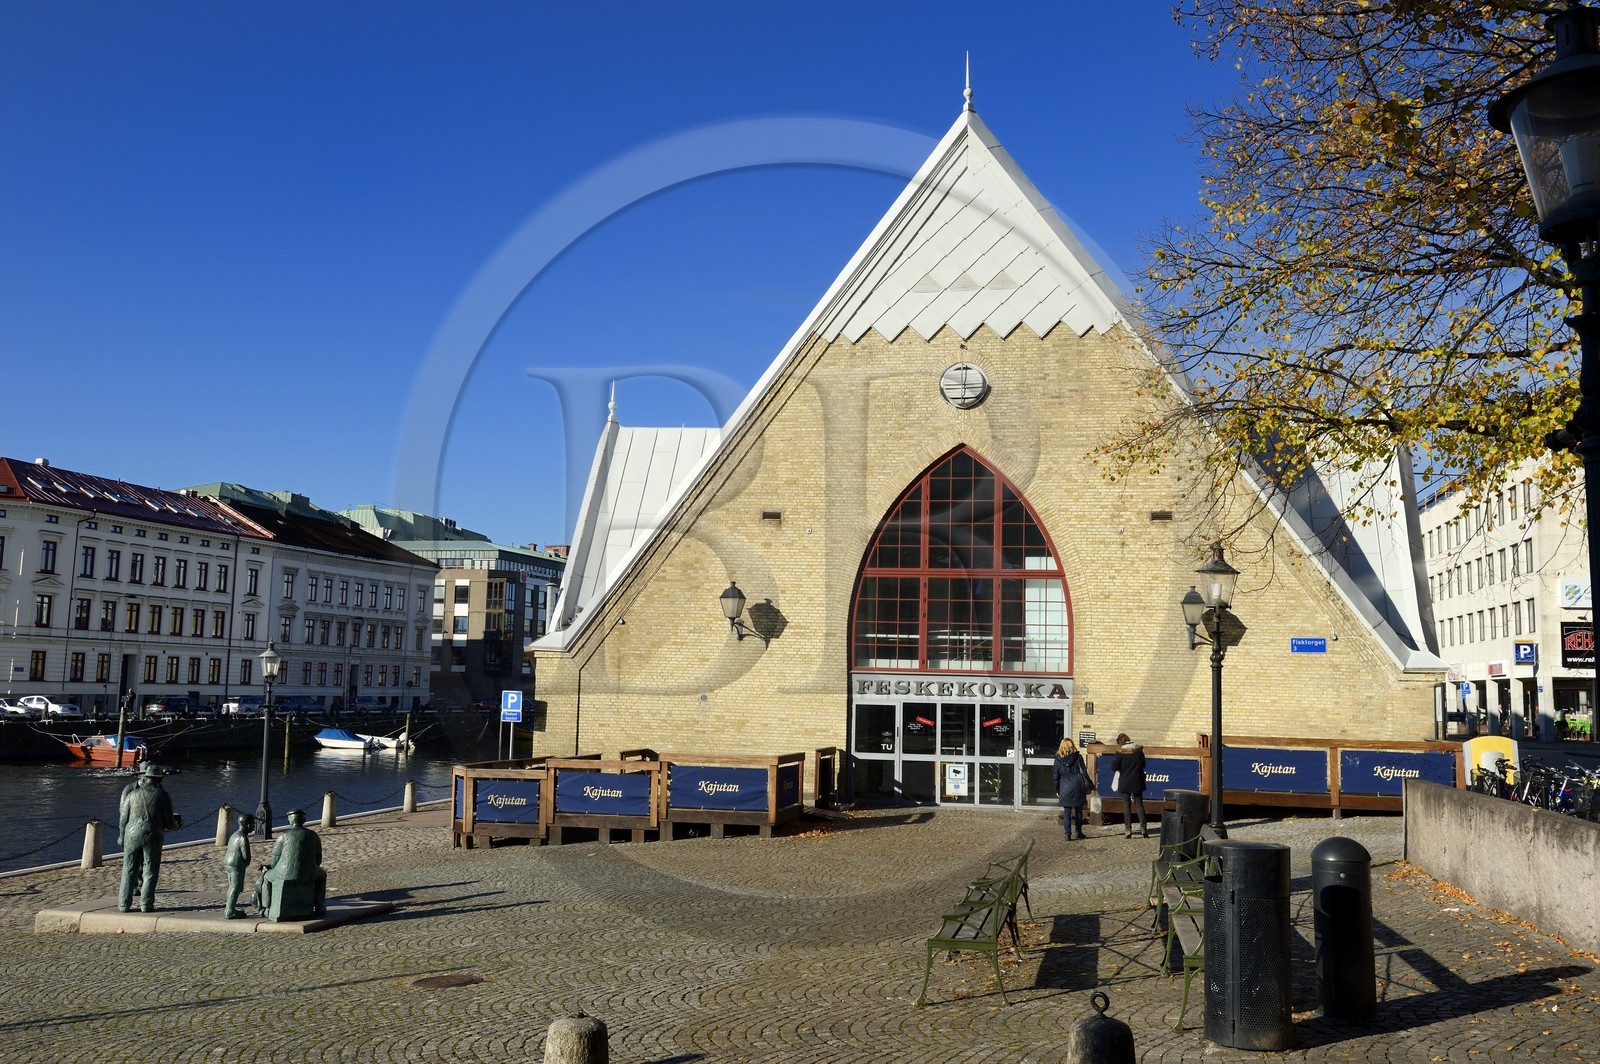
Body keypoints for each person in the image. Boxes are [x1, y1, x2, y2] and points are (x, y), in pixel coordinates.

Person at [117, 762, 181, 913]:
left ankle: (123, 904)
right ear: (158, 779)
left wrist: (121, 837)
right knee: (150, 870)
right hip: (153, 835)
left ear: (145, 778)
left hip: (131, 835)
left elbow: (123, 819)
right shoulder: (163, 795)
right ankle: (146, 904)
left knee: (128, 869)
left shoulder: (132, 795)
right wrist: (176, 826)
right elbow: (169, 821)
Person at [256, 808, 326, 918]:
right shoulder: (313, 835)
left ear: (289, 821)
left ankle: (267, 908)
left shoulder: (283, 836)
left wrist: (273, 868)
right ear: (304, 820)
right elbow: (318, 860)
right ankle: (319, 906)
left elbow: (275, 860)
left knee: (266, 877)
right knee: (322, 875)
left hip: (283, 873)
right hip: (309, 873)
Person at [1052, 738, 1091, 840]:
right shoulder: (1078, 757)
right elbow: (1084, 771)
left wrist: (1056, 789)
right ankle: (1078, 832)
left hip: (1064, 785)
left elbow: (1055, 776)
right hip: (1077, 784)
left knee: (1067, 810)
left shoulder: (1057, 758)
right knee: (1078, 810)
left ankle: (1067, 834)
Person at [1112, 733, 1149, 838]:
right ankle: (1143, 828)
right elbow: (1144, 765)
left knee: (1126, 805)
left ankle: (1128, 830)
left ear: (1120, 743)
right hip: (1137, 779)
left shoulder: (1120, 753)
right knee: (1139, 804)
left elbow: (1114, 767)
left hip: (1125, 781)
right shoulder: (1138, 751)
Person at [223, 814, 256, 918]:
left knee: (231, 886)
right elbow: (246, 855)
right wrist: (246, 863)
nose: (253, 827)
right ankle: (230, 911)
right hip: (236, 864)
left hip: (228, 862)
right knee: (235, 887)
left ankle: (229, 908)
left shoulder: (234, 835)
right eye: (252, 825)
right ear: (247, 825)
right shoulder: (243, 837)